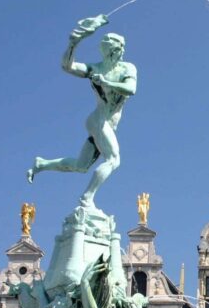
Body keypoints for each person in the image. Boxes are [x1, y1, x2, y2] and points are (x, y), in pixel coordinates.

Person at [27, 16, 137, 208]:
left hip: (105, 123)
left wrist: (106, 82)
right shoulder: (94, 68)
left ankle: (42, 164)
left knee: (80, 166)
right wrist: (74, 43)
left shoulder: (127, 68)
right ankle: (87, 198)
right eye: (113, 46)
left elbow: (131, 89)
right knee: (113, 159)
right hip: (99, 120)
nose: (119, 51)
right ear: (114, 49)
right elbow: (68, 66)